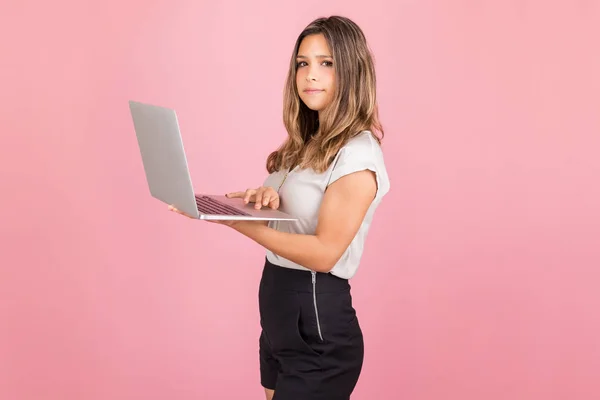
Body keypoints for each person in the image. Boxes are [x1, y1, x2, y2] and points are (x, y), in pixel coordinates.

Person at [169, 15, 390, 400]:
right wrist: (263, 198)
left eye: (327, 63)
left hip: (317, 321)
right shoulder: (305, 143)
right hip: (278, 313)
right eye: (303, 63)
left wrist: (237, 222)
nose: (310, 75)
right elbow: (298, 211)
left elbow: (324, 254)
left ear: (352, 72)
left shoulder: (357, 155)